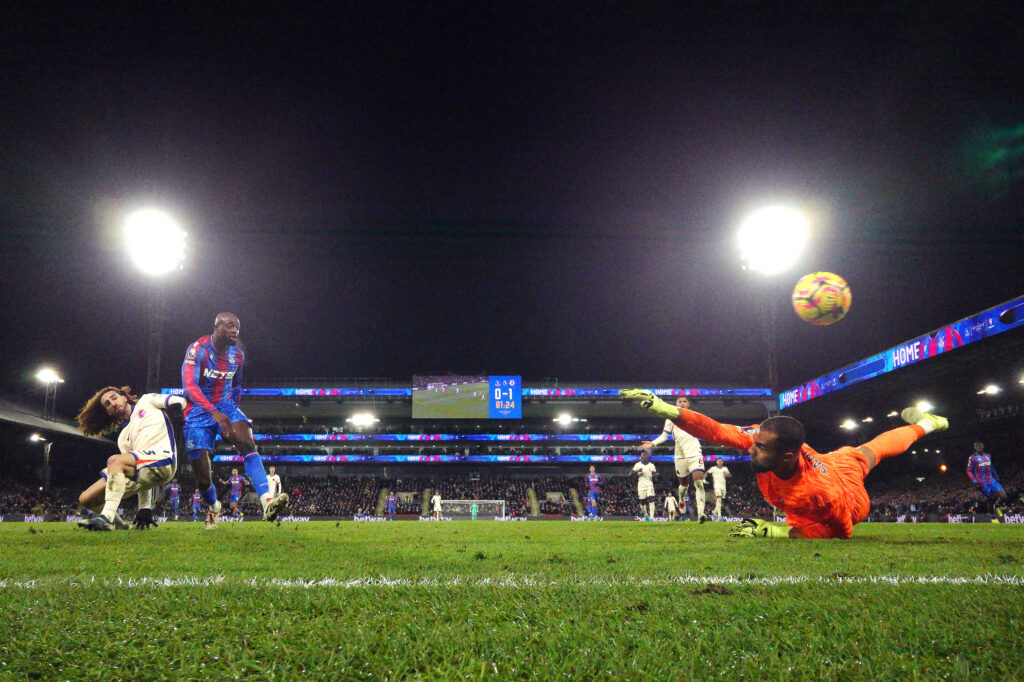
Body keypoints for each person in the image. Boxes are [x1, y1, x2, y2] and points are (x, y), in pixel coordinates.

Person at [620, 390, 948, 538]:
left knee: (872, 454)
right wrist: (665, 409)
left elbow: (842, 529)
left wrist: (778, 532)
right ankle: (929, 424)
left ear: (787, 456)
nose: (751, 450)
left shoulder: (819, 493)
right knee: (869, 449)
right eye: (755, 443)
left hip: (849, 498)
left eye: (760, 449)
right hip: (827, 461)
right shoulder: (762, 441)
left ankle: (929, 425)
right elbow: (717, 430)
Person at [182, 312, 288, 522]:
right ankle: (214, 506)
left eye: (238, 327)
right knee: (203, 479)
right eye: (230, 325)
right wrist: (214, 412)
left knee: (247, 442)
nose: (235, 330)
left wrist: (232, 410)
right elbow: (189, 386)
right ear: (216, 327)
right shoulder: (198, 350)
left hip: (225, 405)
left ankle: (267, 502)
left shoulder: (237, 355)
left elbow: (237, 385)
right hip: (197, 411)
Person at [74, 386, 185, 531]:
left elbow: (179, 400)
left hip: (164, 459)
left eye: (114, 398)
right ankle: (121, 526)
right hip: (147, 469)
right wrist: (144, 507)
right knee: (86, 499)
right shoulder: (122, 438)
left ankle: (106, 517)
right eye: (107, 404)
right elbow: (138, 472)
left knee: (115, 460)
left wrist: (176, 409)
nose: (112, 403)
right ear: (108, 412)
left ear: (124, 397)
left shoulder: (146, 401)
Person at [640, 396, 708, 523]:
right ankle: (681, 500)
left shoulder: (696, 416)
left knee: (698, 482)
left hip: (694, 452)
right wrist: (652, 443)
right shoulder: (671, 418)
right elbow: (664, 436)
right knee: (683, 484)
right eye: (679, 401)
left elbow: (706, 429)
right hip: (680, 455)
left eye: (684, 401)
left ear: (688, 405)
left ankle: (701, 514)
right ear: (676, 404)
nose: (682, 403)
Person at [967, 441, 1006, 521]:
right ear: (975, 448)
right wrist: (975, 481)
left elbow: (991, 467)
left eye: (980, 446)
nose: (979, 448)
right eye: (977, 446)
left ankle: (997, 505)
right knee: (990, 499)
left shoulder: (988, 456)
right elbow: (969, 471)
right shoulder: (972, 458)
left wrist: (997, 477)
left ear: (983, 447)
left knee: (1003, 495)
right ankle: (993, 517)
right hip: (982, 482)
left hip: (992, 480)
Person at [631, 450, 658, 521]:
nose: (645, 456)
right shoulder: (638, 465)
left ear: (648, 456)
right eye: (643, 455)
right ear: (641, 457)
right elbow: (630, 474)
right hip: (641, 485)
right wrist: (637, 471)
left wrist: (655, 474)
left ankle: (652, 518)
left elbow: (654, 473)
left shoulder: (651, 465)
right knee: (642, 502)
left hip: (649, 484)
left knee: (651, 499)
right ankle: (646, 515)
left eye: (646, 455)